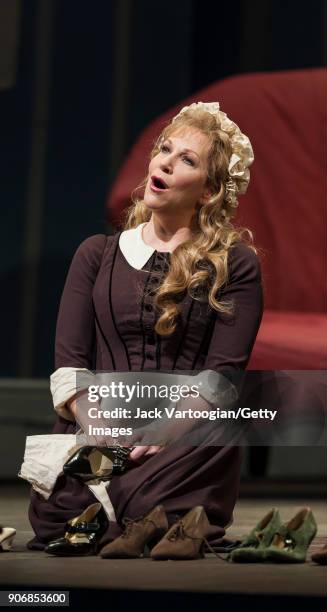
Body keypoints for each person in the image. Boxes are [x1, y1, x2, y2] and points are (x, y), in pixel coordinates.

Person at [27, 101, 263, 554]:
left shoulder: (235, 265)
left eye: (187, 160)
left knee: (165, 483)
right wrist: (95, 425)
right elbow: (71, 364)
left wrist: (165, 431)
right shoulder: (96, 255)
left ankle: (152, 508)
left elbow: (221, 375)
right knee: (60, 507)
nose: (165, 163)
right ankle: (134, 511)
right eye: (164, 149)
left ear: (209, 191)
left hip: (187, 433)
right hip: (101, 425)